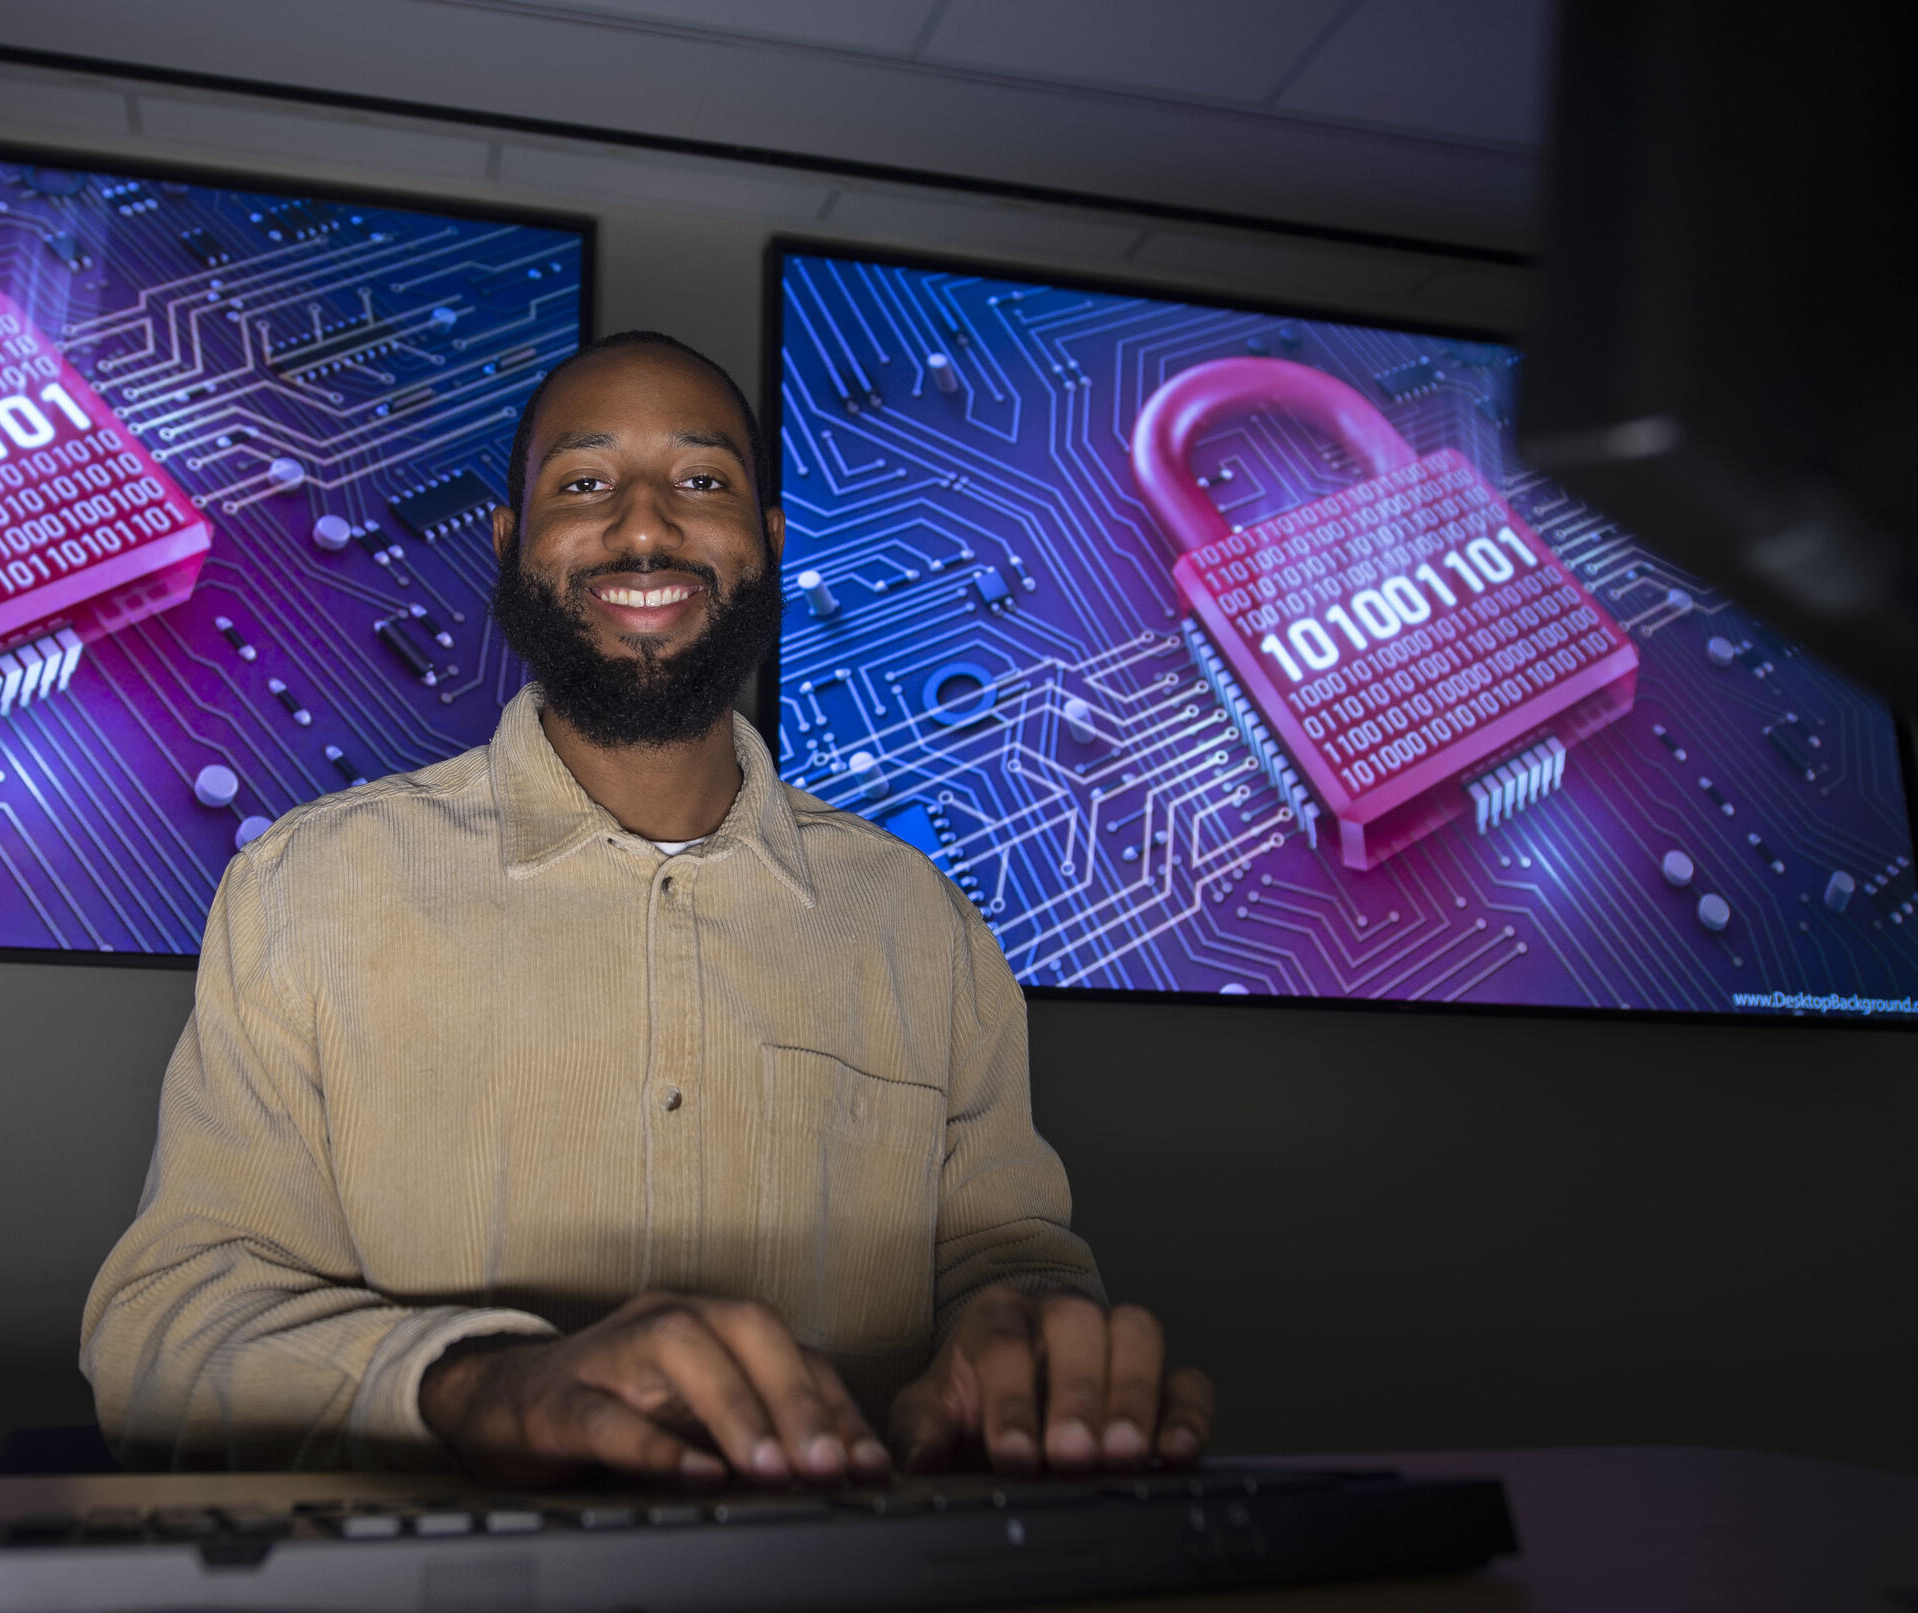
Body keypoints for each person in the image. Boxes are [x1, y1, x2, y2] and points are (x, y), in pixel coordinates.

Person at [80, 331, 1213, 1486]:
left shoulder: (919, 922)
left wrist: (1021, 1336)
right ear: (510, 545)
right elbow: (166, 1333)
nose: (641, 525)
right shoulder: (303, 893)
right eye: (584, 483)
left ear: (766, 544)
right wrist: (479, 1384)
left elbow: (1009, 1261)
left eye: (700, 481)